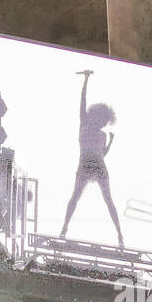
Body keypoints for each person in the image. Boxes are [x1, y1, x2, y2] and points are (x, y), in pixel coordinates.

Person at [59, 69, 124, 248]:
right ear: (96, 115)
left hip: (98, 166)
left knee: (108, 200)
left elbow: (102, 155)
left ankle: (120, 235)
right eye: (102, 120)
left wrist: (110, 142)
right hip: (85, 165)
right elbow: (82, 100)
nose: (103, 124)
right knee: (75, 197)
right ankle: (64, 228)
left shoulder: (102, 134)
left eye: (105, 122)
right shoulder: (84, 123)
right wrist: (86, 80)